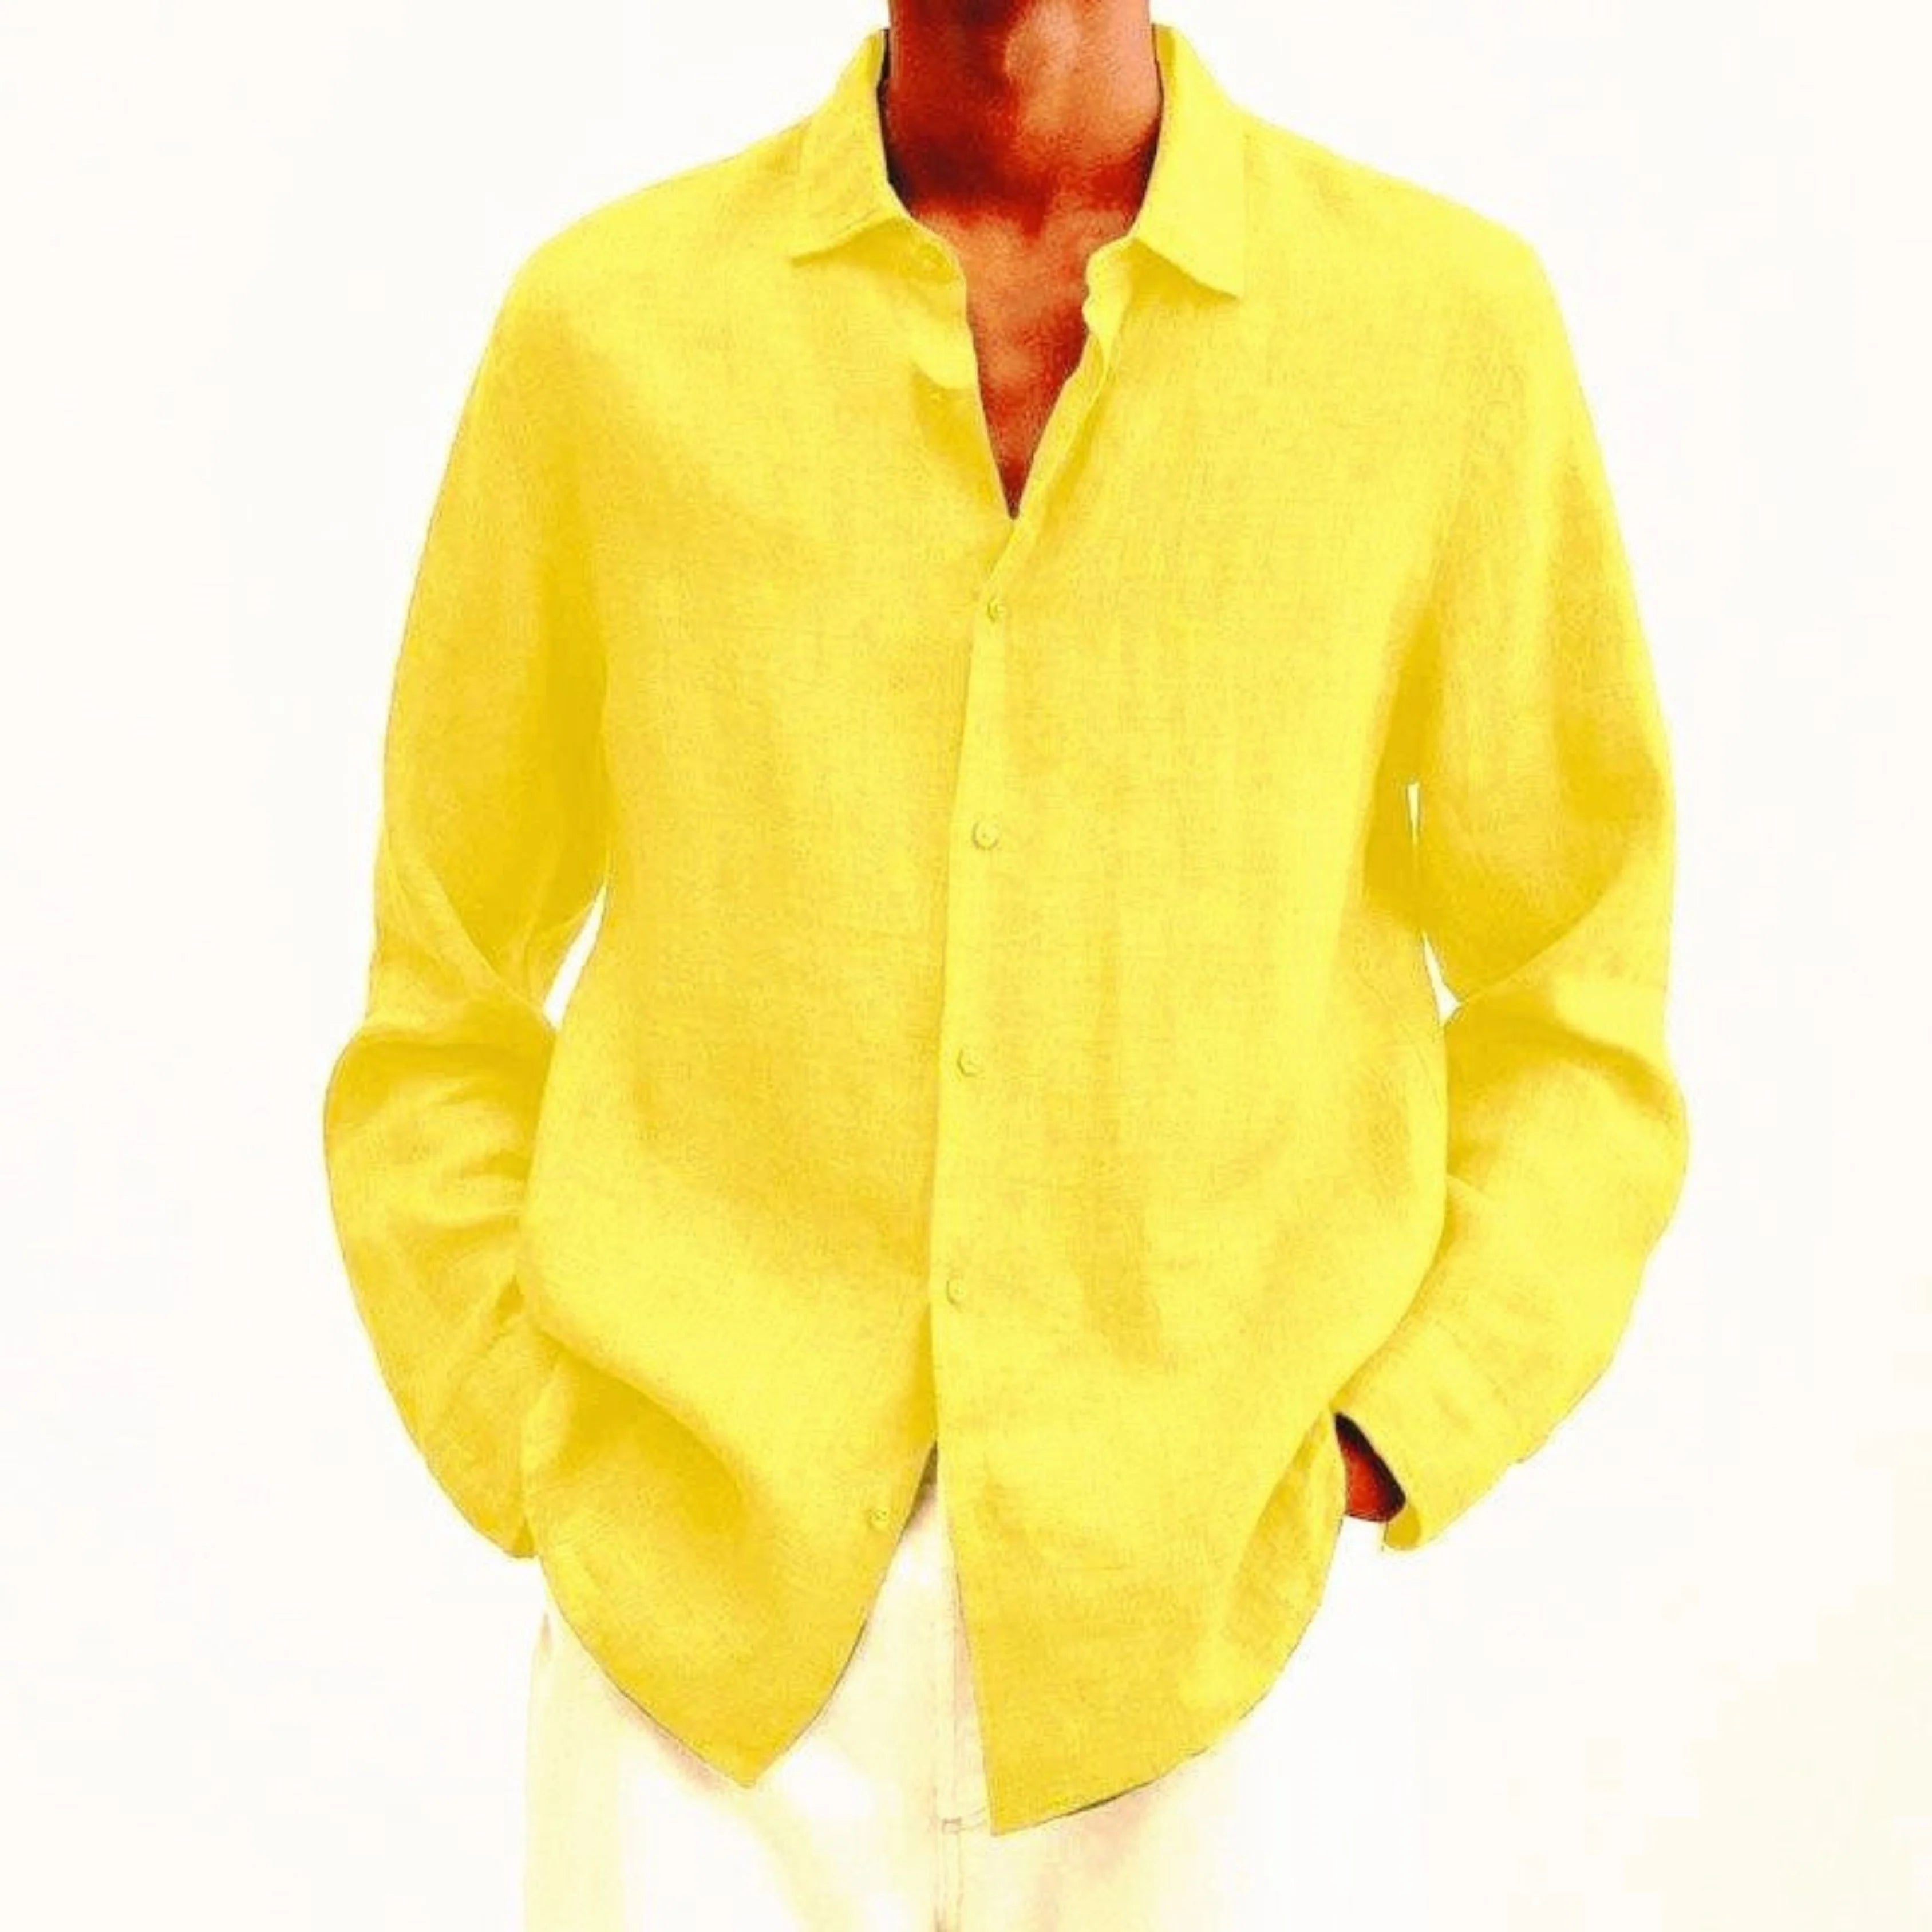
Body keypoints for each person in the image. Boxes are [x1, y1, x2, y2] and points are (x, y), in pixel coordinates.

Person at [321, 2, 1691, 1923]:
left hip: (1223, 1649)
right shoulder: (605, 336)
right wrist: (546, 1455)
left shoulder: (1439, 333)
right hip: (696, 1658)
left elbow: (1576, 992)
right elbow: (442, 997)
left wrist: (1393, 1437)